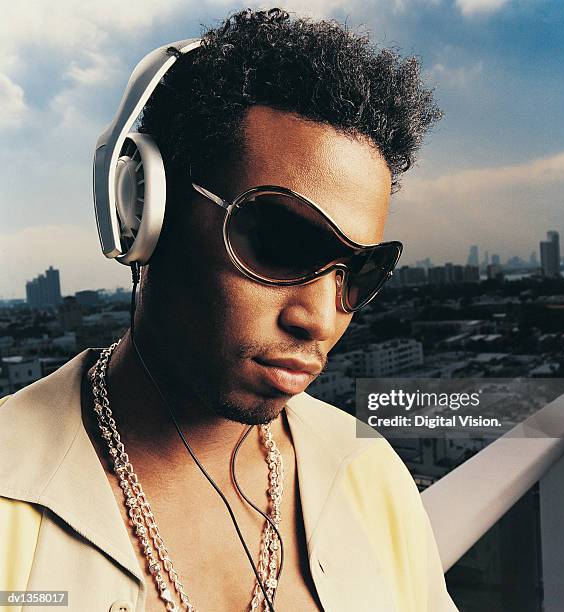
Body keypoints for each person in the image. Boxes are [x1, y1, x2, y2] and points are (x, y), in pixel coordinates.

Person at [0, 8, 457, 612]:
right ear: (144, 212)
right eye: (278, 244)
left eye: (358, 271)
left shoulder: (369, 475)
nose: (321, 319)